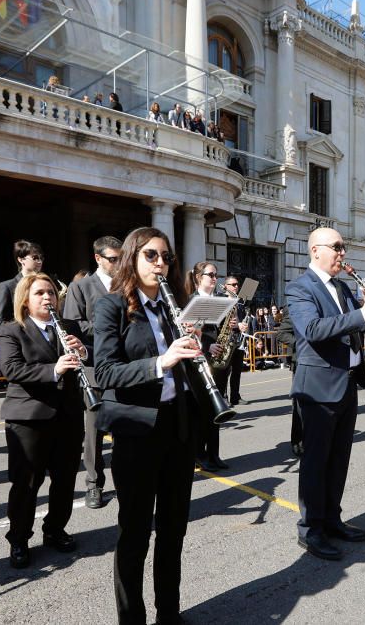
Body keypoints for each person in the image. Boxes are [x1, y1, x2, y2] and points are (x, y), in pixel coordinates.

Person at [93, 227, 204, 624]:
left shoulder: (177, 307)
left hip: (178, 428)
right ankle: (131, 618)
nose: (161, 263)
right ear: (132, 260)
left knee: (173, 531)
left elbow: (184, 366)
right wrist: (161, 361)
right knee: (135, 534)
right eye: (151, 256)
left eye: (166, 257)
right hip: (137, 431)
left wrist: (194, 351)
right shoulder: (112, 307)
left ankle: (168, 614)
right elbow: (105, 371)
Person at [287, 228, 365, 561]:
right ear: (316, 250)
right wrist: (361, 313)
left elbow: (359, 326)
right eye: (337, 247)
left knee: (339, 459)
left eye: (344, 247)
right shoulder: (301, 287)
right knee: (315, 462)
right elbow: (312, 330)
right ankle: (311, 529)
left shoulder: (341, 286)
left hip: (345, 384)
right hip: (317, 389)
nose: (343, 253)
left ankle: (332, 519)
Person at [0, 273, 88, 569]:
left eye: (51, 292)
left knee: (65, 479)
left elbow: (91, 358)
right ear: (25, 299)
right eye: (39, 293)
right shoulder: (12, 330)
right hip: (29, 417)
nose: (48, 298)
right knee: (26, 482)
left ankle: (55, 529)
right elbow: (11, 368)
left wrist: (84, 352)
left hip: (68, 415)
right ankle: (19, 539)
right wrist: (54, 370)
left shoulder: (69, 326)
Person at [62, 235, 122, 509]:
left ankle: (125, 478)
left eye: (121, 258)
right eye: (113, 259)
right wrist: (108, 329)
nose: (119, 263)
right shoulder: (82, 287)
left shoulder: (126, 285)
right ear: (98, 258)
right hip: (94, 366)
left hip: (124, 366)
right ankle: (94, 485)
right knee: (94, 431)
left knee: (125, 426)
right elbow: (73, 325)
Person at [186, 260, 230, 471]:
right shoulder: (191, 302)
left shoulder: (220, 299)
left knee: (217, 411)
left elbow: (223, 331)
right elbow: (187, 334)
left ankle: (214, 454)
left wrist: (233, 326)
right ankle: (199, 454)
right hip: (199, 363)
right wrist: (206, 346)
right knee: (201, 411)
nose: (215, 279)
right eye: (210, 275)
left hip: (218, 362)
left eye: (216, 275)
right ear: (198, 278)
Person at [0, 240, 44, 326]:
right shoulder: (7, 286)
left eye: (41, 258)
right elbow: (0, 322)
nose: (39, 261)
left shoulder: (45, 284)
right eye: (35, 257)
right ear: (21, 260)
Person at [274, 310, 302, 456]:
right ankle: (298, 441)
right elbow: (281, 333)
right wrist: (301, 343)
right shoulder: (295, 307)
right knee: (299, 405)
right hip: (301, 362)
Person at [221, 275, 250, 405]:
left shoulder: (240, 301)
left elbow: (242, 318)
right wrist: (236, 325)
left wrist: (244, 325)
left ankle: (235, 396)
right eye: (233, 284)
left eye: (237, 284)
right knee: (225, 370)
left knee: (237, 370)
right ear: (226, 286)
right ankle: (224, 397)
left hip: (238, 339)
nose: (236, 286)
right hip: (227, 339)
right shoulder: (222, 300)